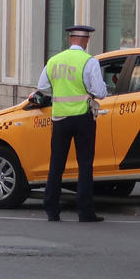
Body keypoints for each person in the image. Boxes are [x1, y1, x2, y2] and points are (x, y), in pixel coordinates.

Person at [37, 25, 107, 222]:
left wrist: (59, 93)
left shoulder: (54, 61)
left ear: (70, 40)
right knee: (85, 165)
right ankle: (85, 211)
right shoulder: (89, 61)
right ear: (86, 41)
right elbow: (100, 92)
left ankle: (52, 210)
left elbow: (42, 87)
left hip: (59, 119)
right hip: (83, 118)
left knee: (56, 164)